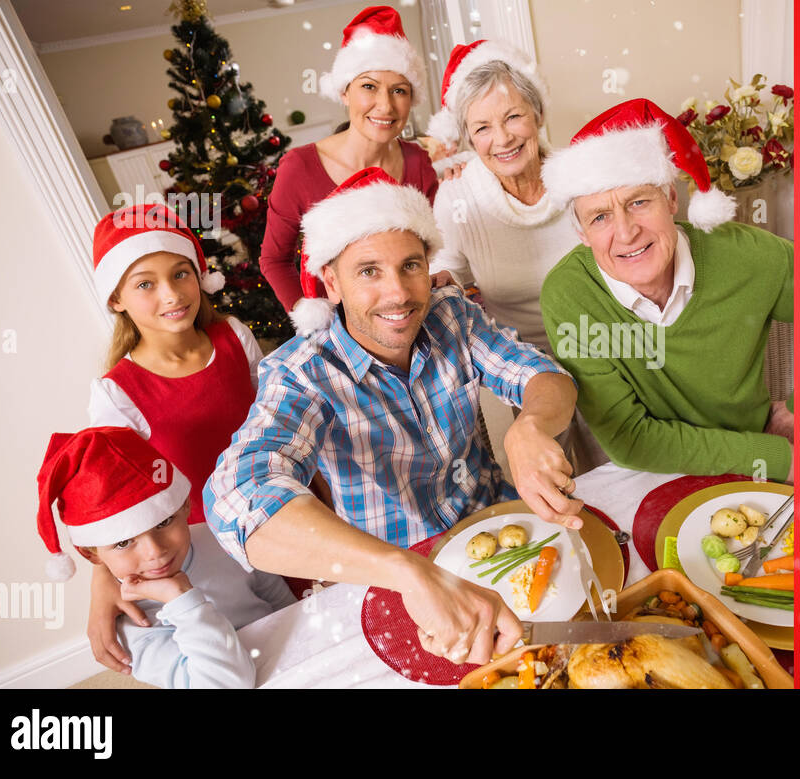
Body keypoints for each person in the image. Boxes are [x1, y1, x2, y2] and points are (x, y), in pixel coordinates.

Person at [205, 167, 582, 665]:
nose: (398, 293)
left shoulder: (454, 315)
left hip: (503, 526)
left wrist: (528, 426)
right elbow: (237, 497)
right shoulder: (302, 373)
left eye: (410, 265)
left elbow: (544, 377)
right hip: (393, 575)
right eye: (368, 271)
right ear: (331, 283)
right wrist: (406, 571)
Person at [540, 98, 795, 483]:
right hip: (647, 474)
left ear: (672, 199)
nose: (626, 233)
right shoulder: (569, 296)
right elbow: (631, 439)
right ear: (581, 234)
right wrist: (775, 457)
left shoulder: (748, 254)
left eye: (638, 202)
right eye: (601, 217)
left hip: (757, 458)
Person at [84, 202, 265, 678]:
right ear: (116, 299)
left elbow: (276, 420)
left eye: (181, 274)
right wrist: (104, 578)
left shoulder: (233, 336)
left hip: (277, 509)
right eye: (145, 283)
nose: (171, 294)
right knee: (241, 660)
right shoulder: (116, 393)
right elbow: (114, 500)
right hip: (207, 549)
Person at [424, 39, 607, 474]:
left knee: (625, 470)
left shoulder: (580, 176)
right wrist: (439, 281)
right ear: (468, 138)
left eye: (513, 117)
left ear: (538, 115)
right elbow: (444, 269)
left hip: (607, 351)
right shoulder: (457, 196)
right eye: (482, 127)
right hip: (526, 369)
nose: (502, 139)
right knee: (560, 482)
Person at [36, 427, 296, 688]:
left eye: (163, 522)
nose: (155, 552)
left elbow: (284, 604)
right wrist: (181, 598)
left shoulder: (224, 537)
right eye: (124, 543)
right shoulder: (130, 623)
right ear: (90, 555)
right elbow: (227, 685)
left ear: (184, 506)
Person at [258, 6, 439, 332]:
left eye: (399, 90)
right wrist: (313, 316)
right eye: (369, 87)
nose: (385, 105)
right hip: (336, 331)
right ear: (344, 92)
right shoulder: (299, 167)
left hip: (404, 321)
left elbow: (433, 248)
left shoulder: (419, 162)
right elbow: (273, 260)